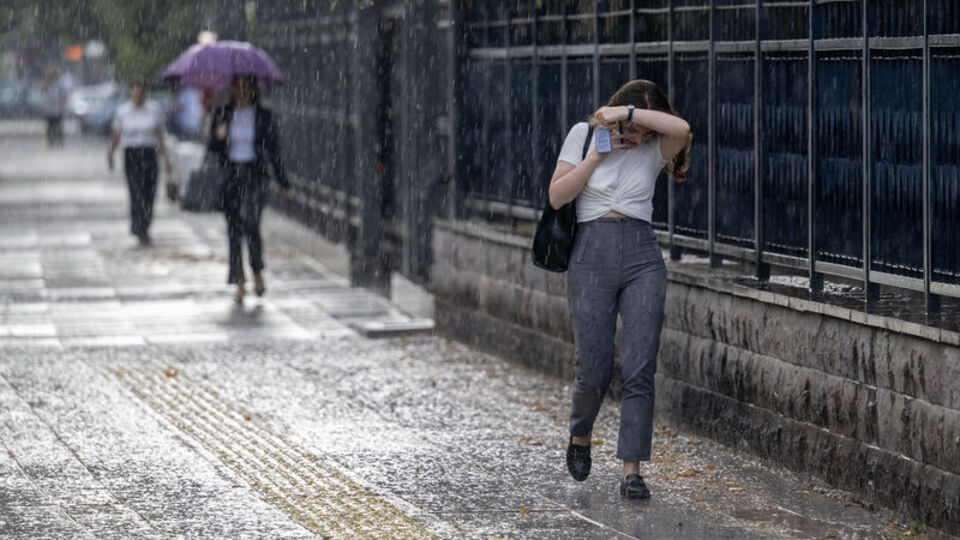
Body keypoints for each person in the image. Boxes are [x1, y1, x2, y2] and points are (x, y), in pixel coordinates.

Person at [549, 80, 691, 499]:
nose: (639, 138)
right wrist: (598, 153)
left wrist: (629, 117)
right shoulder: (582, 135)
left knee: (639, 366)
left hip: (642, 258)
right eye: (633, 130)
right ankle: (580, 434)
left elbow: (683, 130)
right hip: (591, 254)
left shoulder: (655, 146)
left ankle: (632, 470)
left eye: (646, 129)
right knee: (593, 369)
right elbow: (557, 197)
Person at [207, 75, 289, 303]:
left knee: (252, 225)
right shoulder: (223, 113)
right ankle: (239, 280)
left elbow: (273, 149)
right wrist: (219, 136)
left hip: (255, 175)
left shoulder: (263, 116)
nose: (242, 91)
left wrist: (282, 180)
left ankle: (257, 271)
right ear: (232, 89)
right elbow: (211, 147)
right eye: (238, 86)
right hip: (231, 175)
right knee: (233, 230)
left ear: (254, 89)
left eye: (246, 86)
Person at [107, 79, 174, 246]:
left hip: (149, 153)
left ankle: (145, 225)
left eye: (141, 90)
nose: (138, 93)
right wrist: (111, 153)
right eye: (135, 89)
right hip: (132, 155)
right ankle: (138, 227)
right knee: (136, 191)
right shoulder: (123, 111)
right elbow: (117, 134)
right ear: (131, 91)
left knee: (149, 192)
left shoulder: (154, 110)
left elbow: (160, 135)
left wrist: (166, 157)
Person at [40, 67, 67, 146]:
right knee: (50, 126)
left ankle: (58, 140)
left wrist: (62, 108)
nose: (53, 78)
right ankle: (51, 140)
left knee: (57, 126)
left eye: (53, 76)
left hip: (56, 109)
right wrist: (46, 81)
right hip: (49, 110)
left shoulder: (60, 85)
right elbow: (41, 89)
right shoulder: (47, 85)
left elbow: (63, 97)